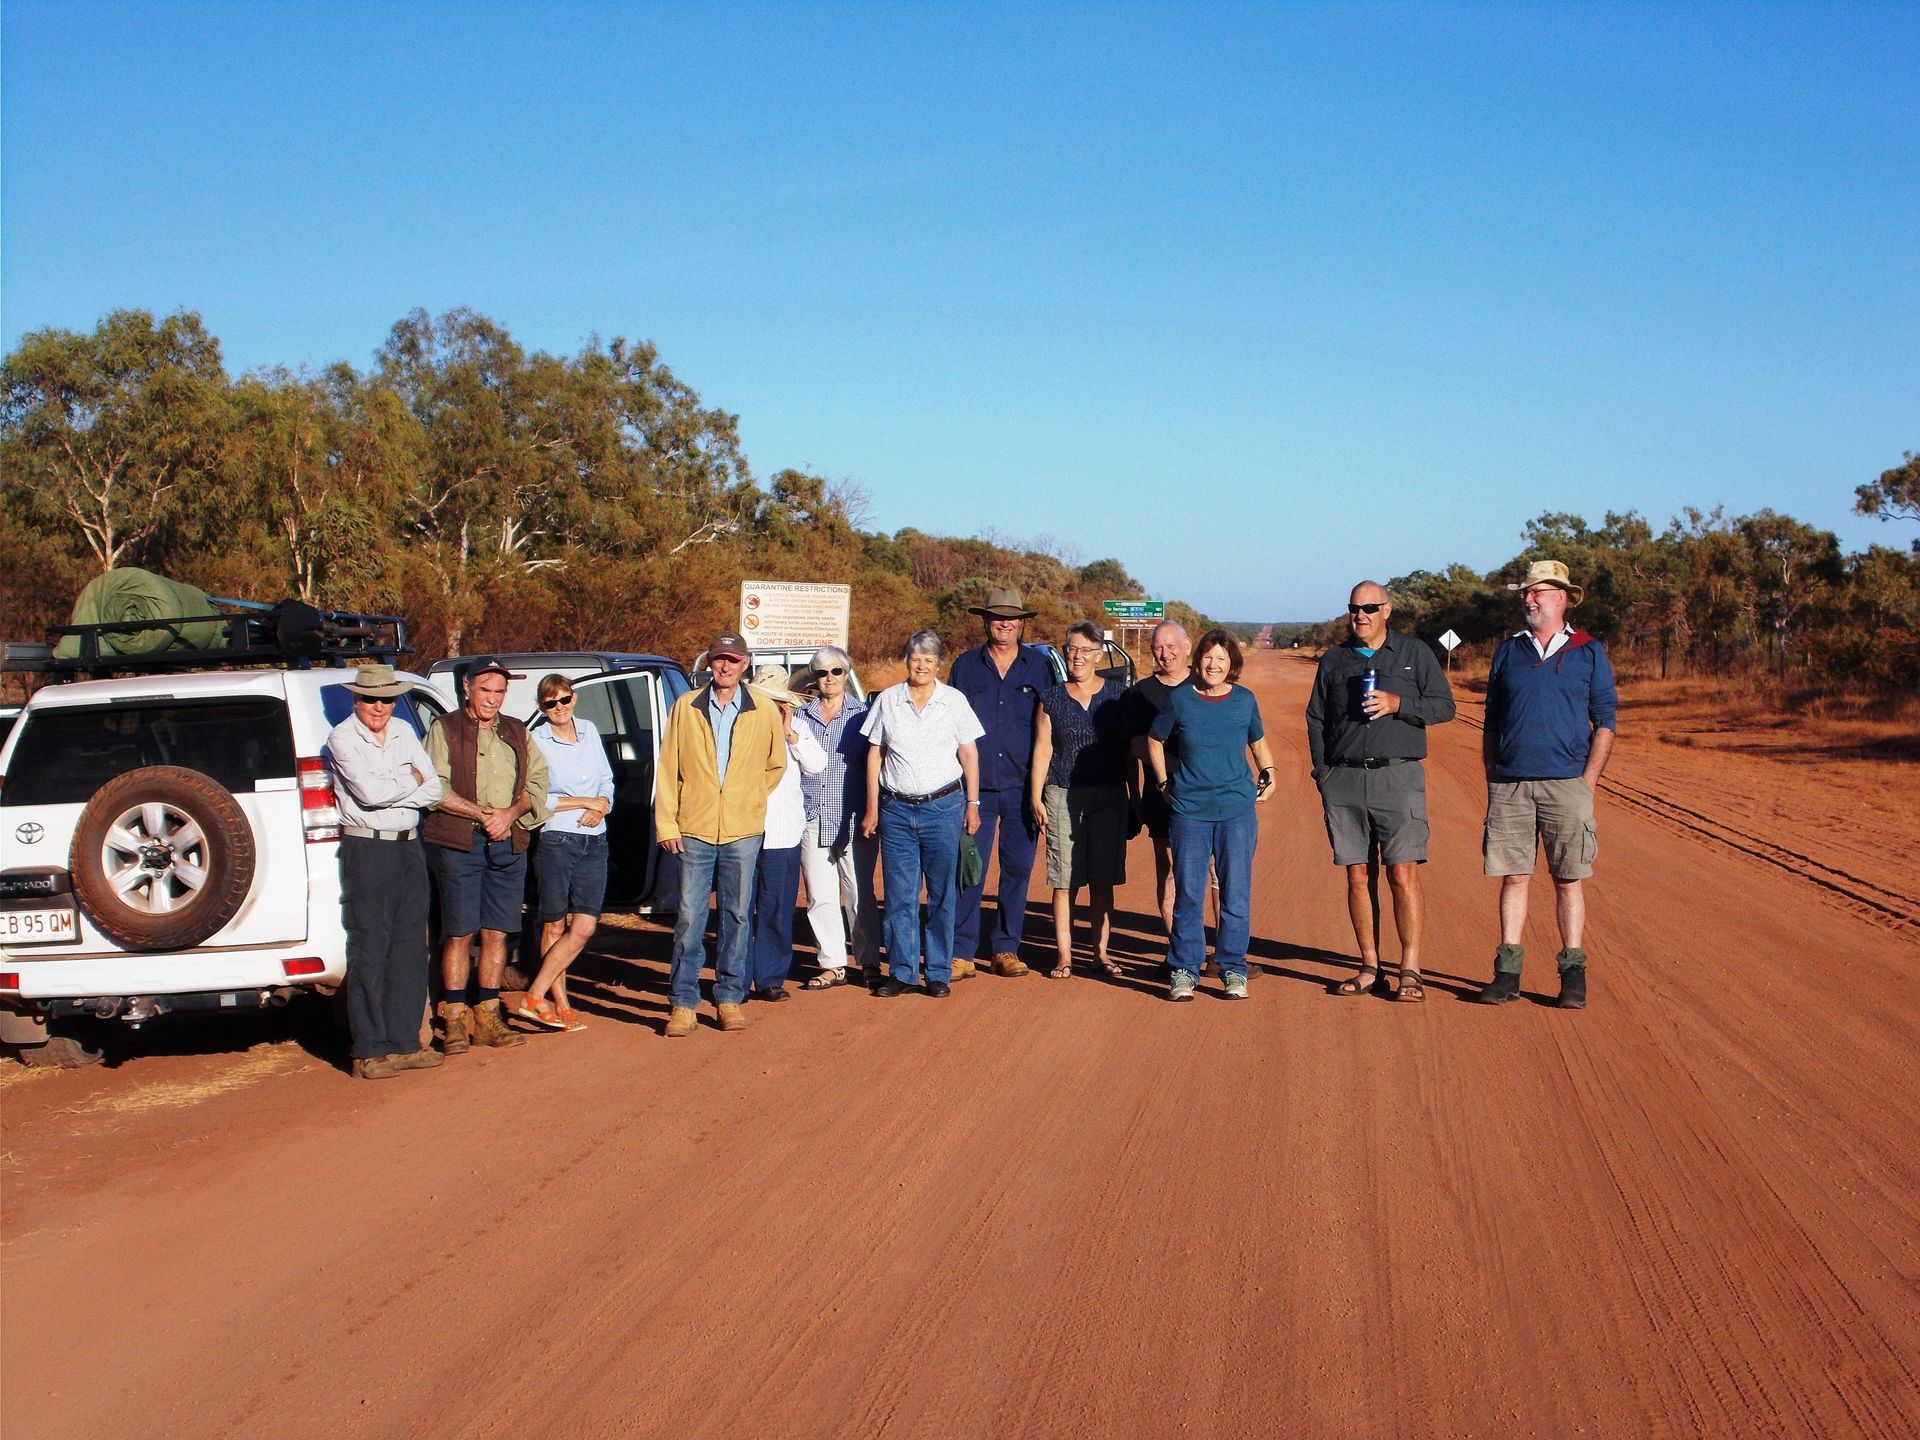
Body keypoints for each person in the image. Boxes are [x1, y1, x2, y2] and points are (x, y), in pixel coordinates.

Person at [1473, 560, 1618, 1010]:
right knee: (1514, 877)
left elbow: (1606, 721)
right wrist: (1493, 773)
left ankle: (1572, 975)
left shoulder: (1588, 651)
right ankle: (1507, 973)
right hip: (1511, 784)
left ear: (1561, 598)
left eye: (1536, 592)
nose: (1528, 600)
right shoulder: (1507, 651)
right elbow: (1491, 721)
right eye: (1525, 593)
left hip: (1567, 785)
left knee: (1567, 879)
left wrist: (1587, 782)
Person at [1305, 582, 1456, 1002]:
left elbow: (1445, 706)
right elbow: (1316, 718)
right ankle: (1370, 965)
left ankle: (1411, 968)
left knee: (1402, 873)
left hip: (1398, 778)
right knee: (1357, 874)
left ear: (1387, 610)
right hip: (1345, 780)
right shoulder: (1334, 660)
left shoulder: (1414, 654)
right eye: (1355, 608)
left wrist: (1398, 703)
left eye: (1370, 607)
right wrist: (1323, 773)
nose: (1362, 615)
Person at [655, 630, 789, 1037]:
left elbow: (775, 764)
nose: (725, 666)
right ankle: (683, 1003)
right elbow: (668, 768)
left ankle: (729, 997)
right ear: (709, 664)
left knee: (736, 915)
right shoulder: (686, 706)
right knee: (690, 916)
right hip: (693, 828)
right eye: (718, 659)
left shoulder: (763, 709)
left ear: (744, 664)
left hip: (742, 830)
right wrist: (667, 822)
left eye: (733, 660)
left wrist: (745, 799)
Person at [422, 657, 549, 1053]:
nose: (492, 698)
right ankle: (455, 1017)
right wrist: (481, 814)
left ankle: (488, 1015)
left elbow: (538, 781)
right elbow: (433, 787)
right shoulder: (444, 729)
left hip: (508, 844)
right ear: (466, 688)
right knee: (459, 932)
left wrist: (510, 815)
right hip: (460, 842)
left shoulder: (518, 731)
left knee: (497, 932)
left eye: (499, 691)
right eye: (485, 690)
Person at [325, 664, 445, 1079]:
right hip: (366, 848)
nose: (380, 707)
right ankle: (369, 1048)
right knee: (370, 947)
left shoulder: (405, 731)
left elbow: (436, 787)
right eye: (371, 698)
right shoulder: (342, 737)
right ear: (356, 699)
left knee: (411, 945)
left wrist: (403, 783)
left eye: (387, 698)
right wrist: (410, 779)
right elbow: (369, 794)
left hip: (409, 846)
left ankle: (405, 1041)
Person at [1146, 629, 1278, 1001]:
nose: (1213, 664)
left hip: (1236, 809)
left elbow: (1258, 742)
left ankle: (1232, 968)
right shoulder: (1181, 700)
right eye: (1207, 657)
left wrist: (1270, 773)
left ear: (1231, 663)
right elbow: (1154, 740)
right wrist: (1161, 783)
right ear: (1197, 659)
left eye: (1221, 658)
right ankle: (1185, 969)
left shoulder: (1244, 700)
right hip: (1189, 810)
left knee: (1235, 892)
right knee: (1188, 892)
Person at [860, 630, 984, 998]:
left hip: (944, 808)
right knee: (900, 895)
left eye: (929, 660)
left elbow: (969, 755)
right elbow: (874, 755)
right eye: (916, 659)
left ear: (938, 664)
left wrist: (973, 805)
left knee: (943, 894)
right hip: (896, 810)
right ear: (906, 661)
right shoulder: (888, 700)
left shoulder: (953, 701)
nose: (921, 666)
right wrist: (872, 807)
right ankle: (901, 971)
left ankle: (939, 972)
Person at [948, 588, 1051, 978]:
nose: (1004, 624)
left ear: (1022, 623)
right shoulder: (966, 665)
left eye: (1012, 618)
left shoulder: (1039, 666)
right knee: (969, 869)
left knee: (1017, 869)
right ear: (985, 621)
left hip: (1024, 788)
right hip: (975, 789)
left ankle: (1006, 948)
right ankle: (961, 951)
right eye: (997, 618)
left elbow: (1048, 726)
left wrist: (1044, 789)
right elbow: (951, 724)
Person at [1029, 620, 1131, 978]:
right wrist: (1036, 797)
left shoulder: (1118, 695)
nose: (1078, 657)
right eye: (1072, 649)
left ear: (1098, 653)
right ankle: (1065, 955)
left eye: (1086, 650)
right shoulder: (1052, 697)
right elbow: (1043, 750)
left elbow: (1127, 751)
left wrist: (1132, 796)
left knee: (1103, 878)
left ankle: (1101, 954)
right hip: (1061, 794)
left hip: (1109, 794)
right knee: (1064, 878)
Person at [517, 674, 614, 1032]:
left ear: (575, 699)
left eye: (565, 700)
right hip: (557, 837)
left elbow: (607, 779)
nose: (559, 708)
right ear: (541, 708)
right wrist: (584, 801)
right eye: (550, 703)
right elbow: (537, 797)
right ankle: (558, 1003)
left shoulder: (589, 729)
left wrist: (602, 805)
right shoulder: (536, 739)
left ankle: (534, 995)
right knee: (554, 923)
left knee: (585, 926)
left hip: (595, 837)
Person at [795, 645, 882, 990]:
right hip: (812, 814)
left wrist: (874, 812)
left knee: (860, 893)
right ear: (813, 677)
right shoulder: (800, 717)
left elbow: (877, 766)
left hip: (855, 817)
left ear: (847, 674)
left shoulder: (865, 715)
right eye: (821, 672)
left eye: (836, 671)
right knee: (819, 895)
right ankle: (831, 963)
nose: (829, 678)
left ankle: (869, 961)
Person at [745, 665, 828, 1003]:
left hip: (783, 831)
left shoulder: (799, 729)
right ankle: (736, 978)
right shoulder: (740, 727)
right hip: (743, 829)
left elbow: (817, 764)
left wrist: (789, 730)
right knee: (739, 909)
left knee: (776, 907)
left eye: (777, 702)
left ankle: (769, 977)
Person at [1123, 620, 1195, 936]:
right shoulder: (1139, 693)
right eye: (1158, 647)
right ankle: (1177, 949)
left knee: (1213, 873)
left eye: (1171, 646)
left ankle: (1220, 953)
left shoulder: (1206, 684)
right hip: (1163, 796)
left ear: (1188, 646)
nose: (1165, 654)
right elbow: (1136, 745)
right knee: (1168, 871)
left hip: (1208, 796)